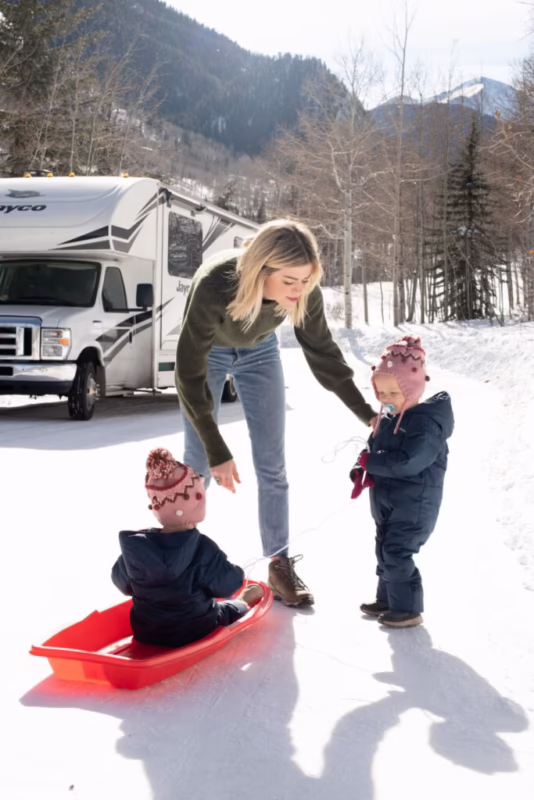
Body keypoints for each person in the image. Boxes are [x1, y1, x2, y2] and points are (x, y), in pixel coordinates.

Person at [176, 219, 377, 607]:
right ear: (261, 270)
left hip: (260, 351)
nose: (299, 290)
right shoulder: (216, 285)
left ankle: (279, 564)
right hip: (210, 352)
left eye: (306, 280)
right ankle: (178, 563)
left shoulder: (304, 291)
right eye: (289, 281)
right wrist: (217, 448)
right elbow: (188, 373)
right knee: (198, 463)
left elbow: (324, 354)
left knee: (272, 464)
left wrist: (366, 413)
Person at [111, 448, 263, 648]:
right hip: (197, 629)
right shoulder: (202, 549)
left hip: (146, 632)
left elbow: (121, 582)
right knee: (227, 609)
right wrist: (236, 572)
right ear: (198, 498)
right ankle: (244, 602)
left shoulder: (137, 549)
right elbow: (228, 586)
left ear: (156, 507)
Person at [350, 336, 454, 628]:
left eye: (393, 392)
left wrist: (374, 464)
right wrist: (361, 469)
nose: (385, 398)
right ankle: (389, 599)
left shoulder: (426, 425)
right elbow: (372, 451)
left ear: (412, 388)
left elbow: (410, 462)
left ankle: (408, 609)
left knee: (397, 552)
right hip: (387, 501)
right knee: (384, 548)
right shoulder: (386, 418)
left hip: (415, 504)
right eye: (380, 392)